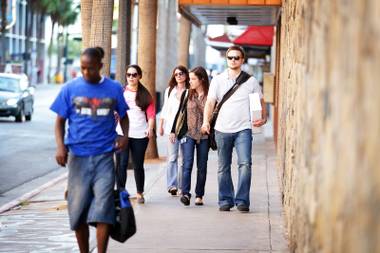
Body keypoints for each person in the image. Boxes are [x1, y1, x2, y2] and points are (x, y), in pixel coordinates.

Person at [50, 47, 129, 253]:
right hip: (78, 158)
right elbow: (59, 121)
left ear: (100, 67)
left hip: (104, 157)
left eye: (91, 69)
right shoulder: (70, 88)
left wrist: (124, 136)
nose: (86, 73)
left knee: (104, 209)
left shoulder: (113, 88)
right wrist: (60, 147)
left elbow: (124, 115)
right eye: (83, 68)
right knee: (78, 212)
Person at [201, 45, 267, 213]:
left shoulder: (250, 81)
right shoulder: (218, 79)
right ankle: (225, 200)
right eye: (230, 57)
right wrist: (205, 122)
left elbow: (260, 101)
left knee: (245, 164)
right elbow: (210, 102)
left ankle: (242, 200)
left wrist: (263, 117)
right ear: (227, 59)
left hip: (244, 128)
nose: (233, 60)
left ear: (242, 60)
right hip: (222, 129)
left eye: (237, 57)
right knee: (223, 166)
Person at [115, 64, 155, 204]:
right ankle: (121, 192)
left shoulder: (145, 94)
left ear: (139, 76)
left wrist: (150, 128)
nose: (131, 77)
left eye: (134, 75)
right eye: (128, 75)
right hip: (122, 133)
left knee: (138, 165)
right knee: (122, 163)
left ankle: (139, 193)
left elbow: (151, 114)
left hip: (140, 133)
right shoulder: (120, 92)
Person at [170, 66, 210, 206]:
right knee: (187, 164)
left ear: (201, 80)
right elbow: (179, 113)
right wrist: (173, 130)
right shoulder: (187, 94)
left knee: (202, 166)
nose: (190, 81)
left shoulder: (210, 96)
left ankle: (199, 195)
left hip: (204, 136)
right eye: (190, 78)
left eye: (193, 78)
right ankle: (185, 193)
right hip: (188, 134)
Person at [158, 66, 190, 196]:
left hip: (186, 129)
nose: (178, 76)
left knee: (184, 159)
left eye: (181, 73)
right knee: (172, 157)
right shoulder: (169, 90)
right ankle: (172, 185)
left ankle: (183, 186)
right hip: (171, 129)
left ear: (186, 75)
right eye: (176, 74)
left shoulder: (190, 90)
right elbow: (165, 109)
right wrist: (161, 125)